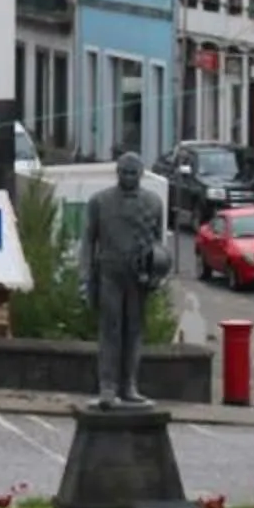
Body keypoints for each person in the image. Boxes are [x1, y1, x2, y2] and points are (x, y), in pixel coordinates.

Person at [78, 149, 168, 405]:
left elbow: (158, 245)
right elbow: (88, 242)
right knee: (110, 331)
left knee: (134, 332)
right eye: (124, 172)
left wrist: (157, 274)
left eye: (133, 172)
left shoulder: (153, 203)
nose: (128, 177)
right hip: (109, 274)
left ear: (141, 174)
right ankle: (107, 387)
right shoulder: (100, 201)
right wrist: (85, 277)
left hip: (138, 277)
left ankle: (129, 386)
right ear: (117, 172)